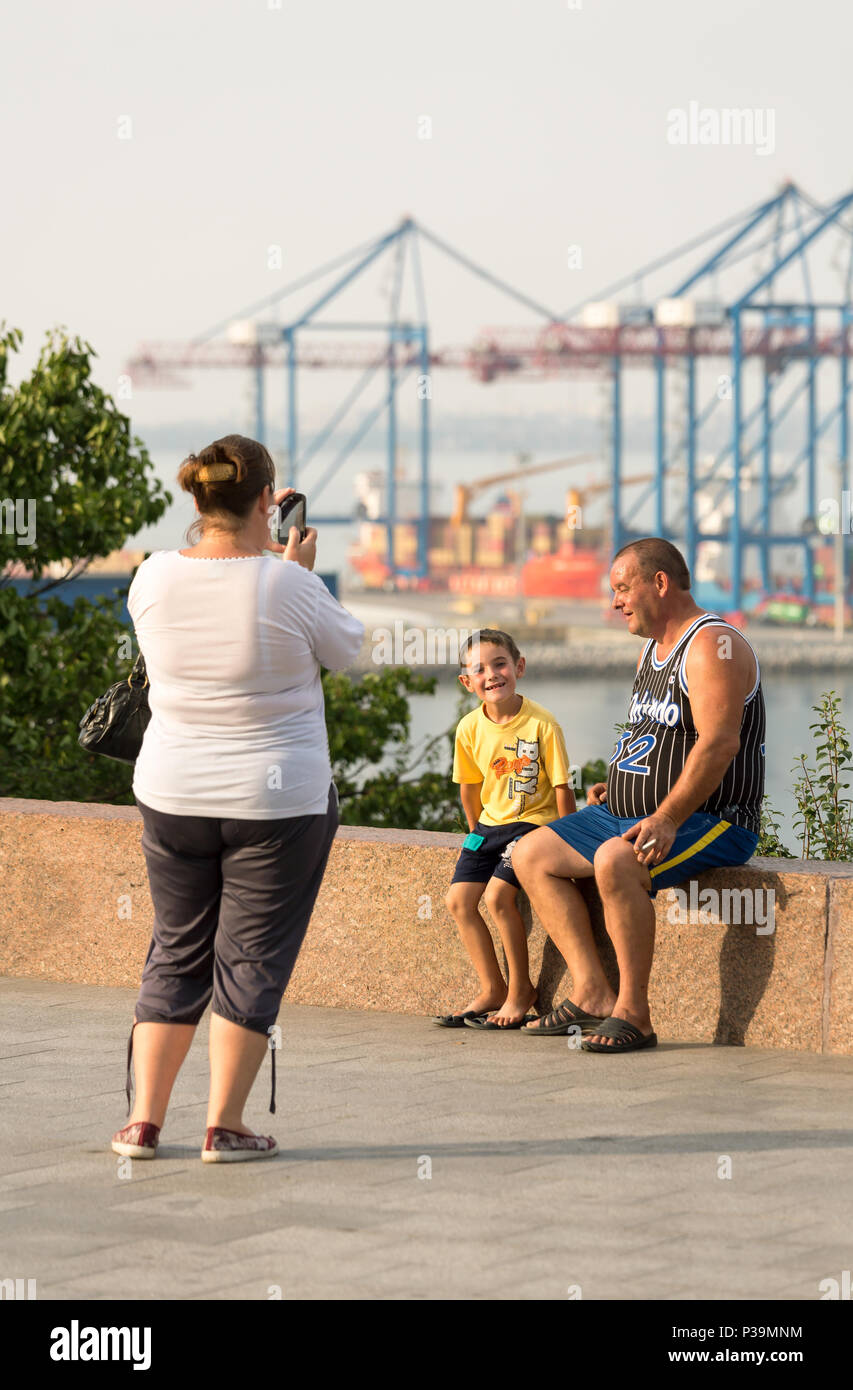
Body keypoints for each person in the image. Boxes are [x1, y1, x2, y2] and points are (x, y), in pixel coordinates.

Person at [110, 434, 364, 1163]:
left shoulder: (152, 576)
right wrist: (296, 570)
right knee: (249, 958)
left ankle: (142, 1124)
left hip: (173, 791)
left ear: (195, 498)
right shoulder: (289, 584)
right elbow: (345, 651)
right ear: (267, 502)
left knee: (175, 949)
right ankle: (224, 1126)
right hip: (275, 802)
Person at [512, 537, 765, 1053]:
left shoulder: (713, 644)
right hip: (628, 812)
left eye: (623, 588)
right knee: (531, 852)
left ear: (661, 582)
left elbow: (719, 742)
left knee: (616, 859)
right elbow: (650, 733)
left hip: (712, 819)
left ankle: (636, 1013)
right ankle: (592, 992)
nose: (616, 601)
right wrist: (618, 779)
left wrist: (668, 816)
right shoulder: (652, 650)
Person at [435, 628, 576, 1030]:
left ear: (519, 666)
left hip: (534, 828)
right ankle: (492, 987)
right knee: (458, 902)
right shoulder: (468, 728)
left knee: (498, 898)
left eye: (500, 664)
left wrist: (568, 844)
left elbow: (564, 791)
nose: (491, 674)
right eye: (479, 669)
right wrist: (475, 833)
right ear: (467, 682)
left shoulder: (542, 724)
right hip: (489, 827)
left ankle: (521, 990)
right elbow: (469, 788)